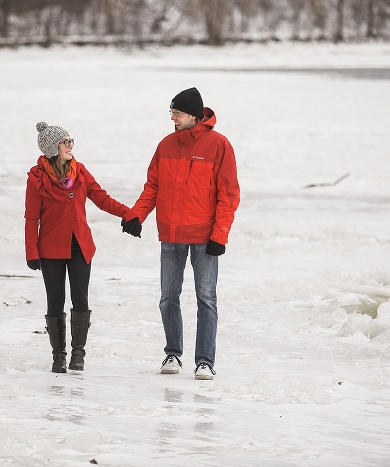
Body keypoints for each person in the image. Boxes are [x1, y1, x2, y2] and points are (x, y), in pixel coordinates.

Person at [122, 87, 240, 380]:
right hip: (171, 234)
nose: (172, 118)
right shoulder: (165, 146)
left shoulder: (219, 146)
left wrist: (220, 235)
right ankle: (172, 354)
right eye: (171, 112)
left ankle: (205, 361)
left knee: (206, 298)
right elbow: (153, 187)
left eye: (176, 113)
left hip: (205, 237)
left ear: (193, 115)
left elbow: (229, 195)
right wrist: (137, 215)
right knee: (168, 298)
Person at [25, 121, 141, 373]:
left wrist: (129, 214)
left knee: (80, 299)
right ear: (52, 148)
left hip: (79, 246)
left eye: (71, 141)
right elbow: (31, 218)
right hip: (51, 249)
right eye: (65, 142)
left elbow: (102, 198)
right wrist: (31, 252)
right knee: (55, 303)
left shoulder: (80, 172)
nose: (71, 146)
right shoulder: (37, 178)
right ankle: (59, 356)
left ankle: (78, 354)